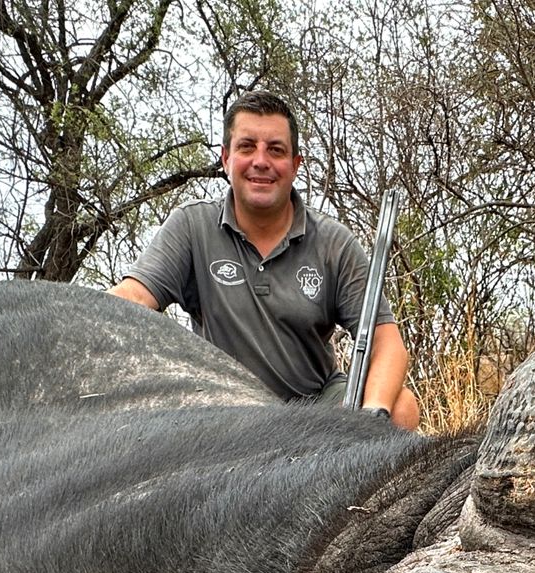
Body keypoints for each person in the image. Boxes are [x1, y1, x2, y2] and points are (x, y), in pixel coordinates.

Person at [109, 92, 421, 430]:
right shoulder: (191, 225)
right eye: (247, 147)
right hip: (222, 411)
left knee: (401, 407)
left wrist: (372, 415)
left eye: (275, 150)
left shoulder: (334, 242)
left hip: (316, 408)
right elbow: (133, 297)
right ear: (226, 159)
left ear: (295, 165)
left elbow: (386, 342)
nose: (261, 161)